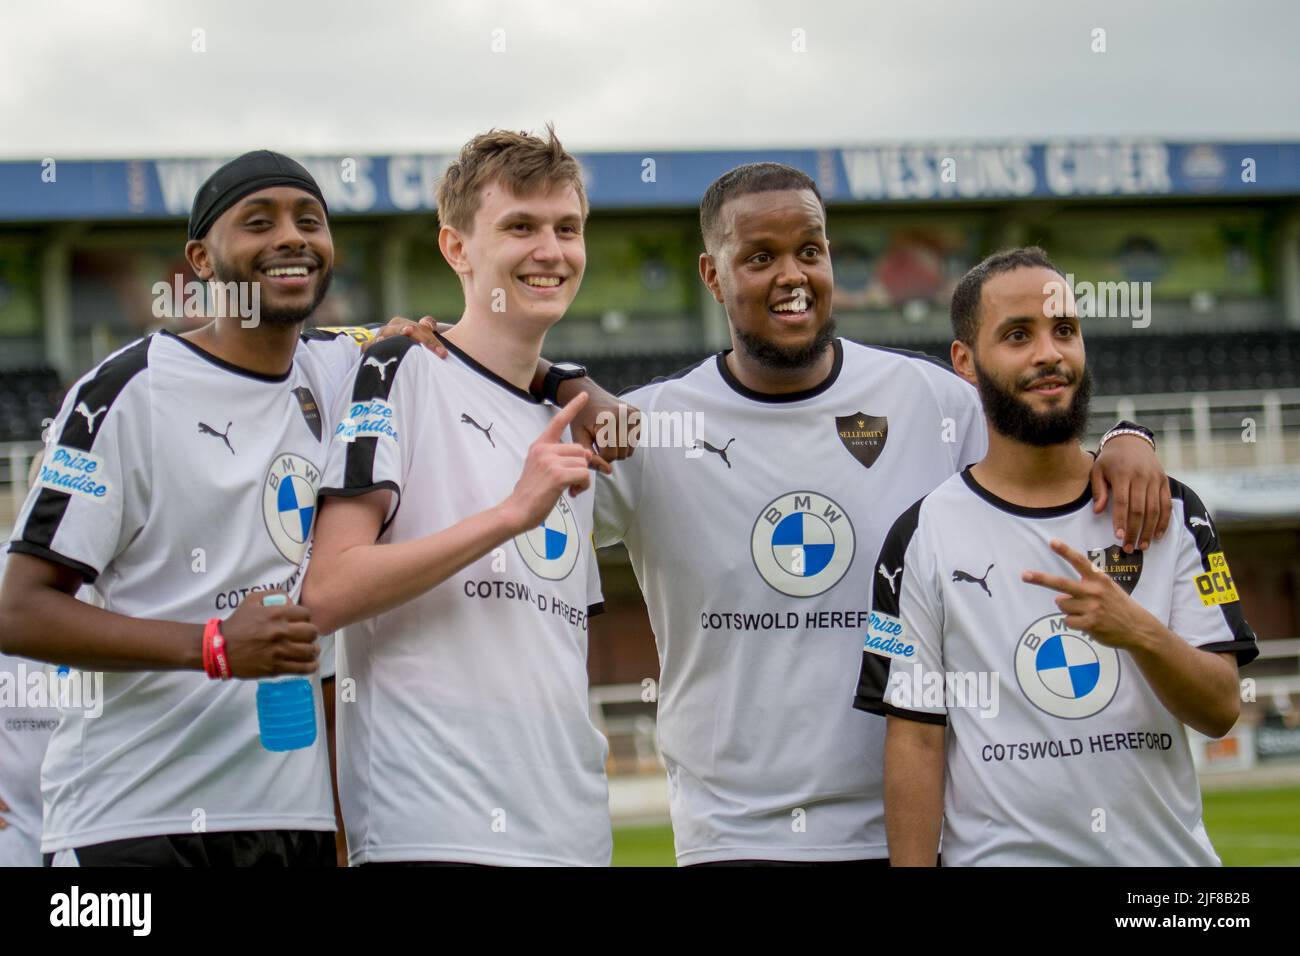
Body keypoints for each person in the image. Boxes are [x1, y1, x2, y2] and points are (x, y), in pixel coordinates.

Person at [0, 149, 622, 866]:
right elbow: (20, 612)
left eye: (310, 220)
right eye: (257, 222)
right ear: (202, 259)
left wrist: (573, 384)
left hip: (291, 821)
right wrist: (212, 645)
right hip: (133, 817)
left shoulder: (348, 368)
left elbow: (474, 348)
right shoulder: (127, 390)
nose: (291, 238)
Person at [593, 163, 1171, 865]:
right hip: (733, 837)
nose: (792, 275)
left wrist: (1122, 439)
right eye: (758, 257)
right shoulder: (650, 427)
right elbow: (512, 507)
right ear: (712, 277)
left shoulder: (931, 402)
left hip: (923, 827)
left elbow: (1045, 463)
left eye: (810, 250)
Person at [855, 246, 1257, 866]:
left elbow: (1222, 709)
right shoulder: (919, 538)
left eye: (1064, 330)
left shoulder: (1170, 511)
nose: (1049, 354)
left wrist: (1138, 631)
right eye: (1018, 335)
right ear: (965, 361)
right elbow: (914, 738)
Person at [302, 127, 613, 866]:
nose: (551, 251)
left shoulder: (568, 417)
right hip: (435, 830)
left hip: (573, 836)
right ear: (456, 249)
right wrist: (509, 515)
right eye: (520, 227)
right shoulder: (399, 368)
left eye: (567, 229)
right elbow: (324, 591)